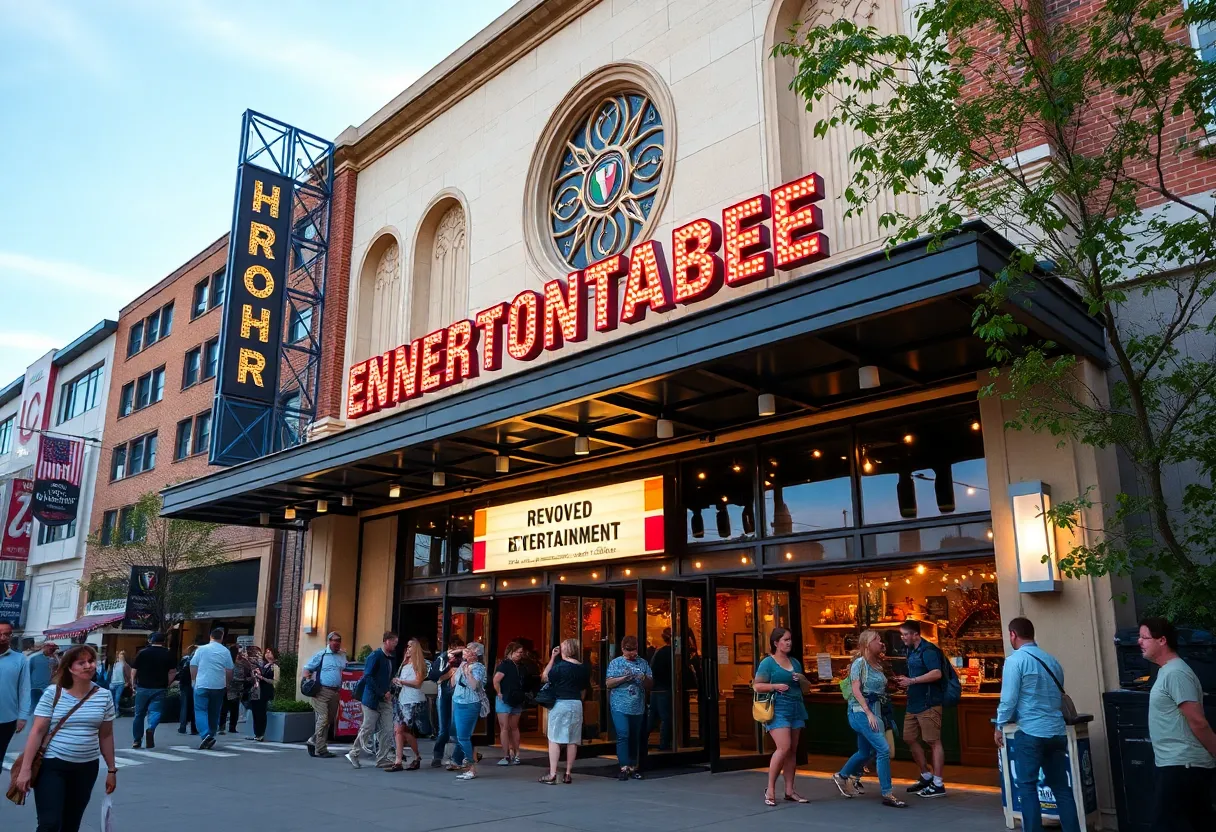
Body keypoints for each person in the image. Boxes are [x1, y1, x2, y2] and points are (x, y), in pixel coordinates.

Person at [13, 644, 117, 832]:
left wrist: (111, 769)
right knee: (49, 823)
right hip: (52, 765)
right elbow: (36, 732)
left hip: (86, 767)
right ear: (70, 668)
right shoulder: (54, 693)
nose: (88, 666)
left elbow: (106, 735)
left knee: (71, 824)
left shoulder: (104, 696)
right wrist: (25, 770)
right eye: (81, 662)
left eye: (91, 661)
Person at [992, 617, 1077, 832]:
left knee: (1027, 787)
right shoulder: (1051, 660)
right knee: (1062, 789)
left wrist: (999, 725)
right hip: (1056, 731)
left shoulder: (1015, 661)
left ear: (1013, 634)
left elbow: (1009, 699)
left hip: (1030, 732)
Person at [1139, 616, 1216, 831]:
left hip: (1183, 767)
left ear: (1162, 640)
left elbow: (1198, 721)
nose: (1139, 642)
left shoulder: (1176, 674)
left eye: (1144, 637)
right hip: (1175, 765)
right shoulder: (1167, 672)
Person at [833, 629, 906, 808]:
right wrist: (868, 712)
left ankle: (841, 776)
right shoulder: (860, 663)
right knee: (883, 749)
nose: (881, 643)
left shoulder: (877, 663)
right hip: (861, 711)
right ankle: (887, 793)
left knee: (865, 752)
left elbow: (880, 688)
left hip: (876, 709)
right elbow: (856, 690)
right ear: (867, 643)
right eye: (877, 640)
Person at [754, 626, 810, 806]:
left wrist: (801, 679)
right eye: (785, 640)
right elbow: (757, 686)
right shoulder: (768, 663)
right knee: (784, 747)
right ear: (776, 643)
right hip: (778, 707)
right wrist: (775, 686)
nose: (789, 643)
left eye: (790, 639)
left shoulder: (795, 662)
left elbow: (806, 688)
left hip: (796, 706)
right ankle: (770, 788)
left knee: (792, 750)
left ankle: (789, 790)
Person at [895, 619, 947, 798]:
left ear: (915, 634)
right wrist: (906, 682)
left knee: (933, 741)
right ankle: (926, 775)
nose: (902, 638)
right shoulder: (910, 650)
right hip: (913, 702)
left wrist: (913, 681)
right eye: (901, 634)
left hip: (929, 703)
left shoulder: (929, 650)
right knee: (908, 738)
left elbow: (937, 673)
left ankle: (938, 783)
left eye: (905, 634)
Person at [539, 637, 591, 785]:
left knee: (554, 738)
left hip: (561, 703)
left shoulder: (560, 667)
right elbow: (583, 690)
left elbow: (544, 677)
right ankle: (568, 773)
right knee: (573, 740)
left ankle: (553, 773)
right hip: (576, 703)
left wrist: (552, 658)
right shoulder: (584, 668)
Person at [348, 631, 398, 769]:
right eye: (394, 642)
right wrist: (382, 693)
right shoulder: (375, 656)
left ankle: (382, 758)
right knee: (368, 727)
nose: (395, 645)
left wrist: (391, 686)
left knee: (387, 729)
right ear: (387, 641)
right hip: (372, 699)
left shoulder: (391, 658)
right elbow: (368, 677)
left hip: (385, 697)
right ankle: (354, 752)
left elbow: (387, 676)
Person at [606, 635, 652, 780]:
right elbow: (608, 683)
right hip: (619, 705)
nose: (631, 653)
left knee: (634, 736)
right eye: (628, 650)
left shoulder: (643, 663)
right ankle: (624, 766)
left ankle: (633, 766)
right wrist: (624, 678)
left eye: (634, 650)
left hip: (637, 706)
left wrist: (643, 678)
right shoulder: (616, 663)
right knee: (623, 734)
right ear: (622, 649)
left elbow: (650, 684)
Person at [302, 630, 347, 759]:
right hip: (321, 691)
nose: (337, 643)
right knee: (322, 719)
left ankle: (313, 740)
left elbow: (344, 668)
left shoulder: (342, 655)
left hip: (335, 692)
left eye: (339, 640)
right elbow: (307, 669)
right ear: (329, 641)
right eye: (334, 640)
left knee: (328, 720)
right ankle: (320, 749)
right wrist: (309, 680)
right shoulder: (321, 655)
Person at [388, 637, 429, 771]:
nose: (408, 649)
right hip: (401, 699)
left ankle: (416, 756)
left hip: (413, 700)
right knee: (398, 730)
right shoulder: (405, 664)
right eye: (407, 646)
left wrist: (402, 681)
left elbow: (418, 683)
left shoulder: (419, 664)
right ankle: (398, 761)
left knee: (405, 730)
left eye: (410, 646)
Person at [190, 627, 234, 750]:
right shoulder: (225, 651)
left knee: (200, 710)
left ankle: (205, 734)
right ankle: (211, 734)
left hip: (202, 684)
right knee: (214, 712)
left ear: (210, 637)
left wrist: (194, 680)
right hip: (218, 685)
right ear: (222, 637)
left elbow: (193, 665)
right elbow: (229, 670)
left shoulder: (201, 650)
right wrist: (227, 683)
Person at [130, 632, 176, 750]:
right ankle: (151, 727)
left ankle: (137, 739)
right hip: (159, 687)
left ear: (151, 641)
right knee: (155, 712)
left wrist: (133, 683)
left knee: (139, 714)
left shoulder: (142, 653)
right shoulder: (168, 654)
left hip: (143, 687)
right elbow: (172, 672)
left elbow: (134, 670)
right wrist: (167, 683)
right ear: (163, 642)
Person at [451, 641, 487, 780]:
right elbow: (453, 682)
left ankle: (471, 767)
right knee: (457, 735)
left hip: (469, 703)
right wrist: (460, 666)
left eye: (469, 650)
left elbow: (475, 686)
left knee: (463, 737)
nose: (465, 652)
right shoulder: (463, 664)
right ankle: (467, 759)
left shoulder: (478, 667)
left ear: (476, 654)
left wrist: (468, 673)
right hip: (458, 702)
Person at [432, 635, 467, 769]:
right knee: (444, 729)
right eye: (454, 649)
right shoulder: (443, 658)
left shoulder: (464, 660)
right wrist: (450, 668)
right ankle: (438, 755)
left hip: (458, 694)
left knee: (455, 727)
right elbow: (435, 676)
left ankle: (459, 756)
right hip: (445, 693)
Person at [0, 619, 31, 763]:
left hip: (7, 719)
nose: (3, 638)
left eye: (7, 634)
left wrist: (23, 716)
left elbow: (24, 689)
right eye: (0, 634)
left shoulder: (20, 660)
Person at [493, 641, 526, 766]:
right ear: (511, 652)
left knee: (508, 728)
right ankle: (511, 754)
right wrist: (499, 693)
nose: (520, 655)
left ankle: (510, 755)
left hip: (509, 698)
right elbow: (496, 681)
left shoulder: (509, 665)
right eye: (518, 652)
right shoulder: (509, 665)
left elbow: (496, 680)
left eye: (521, 653)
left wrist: (499, 693)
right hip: (510, 698)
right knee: (509, 728)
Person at [649, 628, 673, 751]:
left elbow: (652, 668)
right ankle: (664, 744)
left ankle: (641, 742)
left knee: (651, 717)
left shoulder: (659, 652)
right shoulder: (673, 653)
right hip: (665, 688)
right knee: (666, 718)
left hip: (655, 688)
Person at [245, 646, 273, 741]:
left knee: (261, 712)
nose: (267, 654)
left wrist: (262, 677)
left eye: (270, 652)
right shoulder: (264, 665)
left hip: (265, 691)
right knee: (255, 712)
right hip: (257, 690)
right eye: (266, 652)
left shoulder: (274, 666)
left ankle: (261, 733)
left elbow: (275, 681)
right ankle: (256, 733)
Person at [223, 645, 249, 735]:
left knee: (235, 709)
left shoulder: (241, 663)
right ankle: (221, 726)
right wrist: (244, 680)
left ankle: (232, 727)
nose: (241, 655)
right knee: (225, 708)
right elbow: (231, 677)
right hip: (229, 688)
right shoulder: (229, 663)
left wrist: (246, 661)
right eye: (239, 653)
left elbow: (248, 670)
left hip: (238, 689)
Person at [28, 640, 60, 713]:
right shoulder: (34, 658)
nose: (51, 650)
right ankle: (31, 722)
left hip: (49, 687)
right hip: (35, 687)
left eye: (53, 649)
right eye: (50, 648)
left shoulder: (56, 659)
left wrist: (56, 658)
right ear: (44, 647)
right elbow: (28, 672)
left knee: (48, 707)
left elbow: (60, 670)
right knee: (34, 706)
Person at [176, 645, 198, 735]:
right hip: (196, 683)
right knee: (195, 706)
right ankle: (194, 728)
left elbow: (179, 670)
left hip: (184, 684)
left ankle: (182, 727)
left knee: (184, 706)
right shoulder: (198, 660)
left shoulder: (184, 659)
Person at [107, 650, 128, 714]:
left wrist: (127, 682)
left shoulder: (124, 664)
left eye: (122, 657)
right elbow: (109, 673)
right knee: (112, 698)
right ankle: (112, 711)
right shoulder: (112, 664)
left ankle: (117, 711)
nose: (120, 658)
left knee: (117, 698)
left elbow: (128, 673)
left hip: (121, 683)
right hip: (112, 683)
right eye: (119, 656)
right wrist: (109, 682)